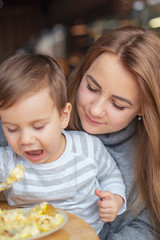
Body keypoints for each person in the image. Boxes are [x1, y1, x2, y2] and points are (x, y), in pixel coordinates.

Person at [0, 53, 126, 234]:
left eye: (38, 126)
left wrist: (115, 199)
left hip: (87, 234)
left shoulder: (88, 148)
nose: (25, 140)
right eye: (12, 129)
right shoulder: (7, 162)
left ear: (63, 116)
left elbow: (110, 175)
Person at [67, 25, 160, 240]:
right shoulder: (38, 115)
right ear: (82, 74)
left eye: (118, 105)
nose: (95, 110)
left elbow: (149, 228)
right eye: (91, 88)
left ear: (143, 109)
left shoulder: (149, 154)